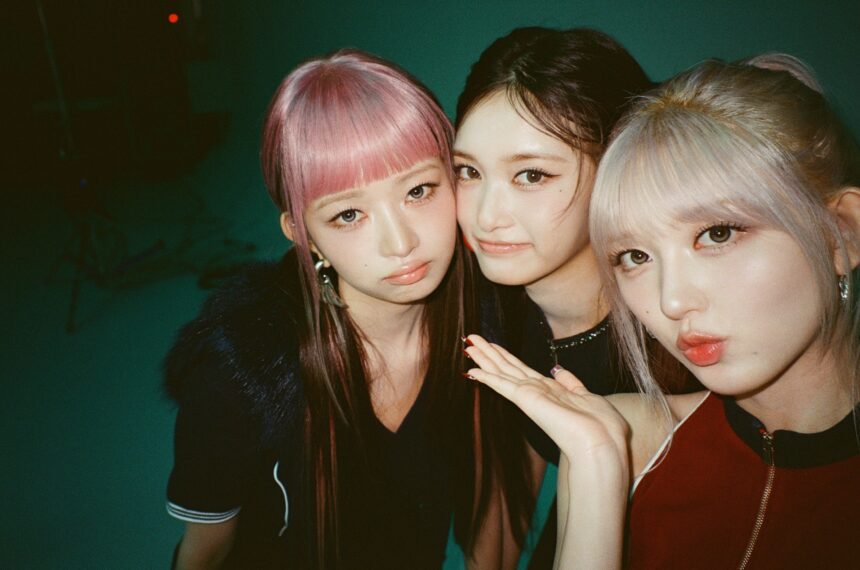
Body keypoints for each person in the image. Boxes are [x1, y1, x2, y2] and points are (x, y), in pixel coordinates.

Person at [464, 53, 860, 568]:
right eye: (635, 257)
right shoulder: (621, 435)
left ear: (843, 232)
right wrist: (596, 470)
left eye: (718, 234)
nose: (671, 301)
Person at [163, 49, 529, 569]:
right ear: (303, 235)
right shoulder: (237, 375)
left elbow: (493, 504)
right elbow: (205, 553)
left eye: (419, 190)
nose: (400, 243)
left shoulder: (488, 319)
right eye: (349, 214)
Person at [453, 27, 692, 565]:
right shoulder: (495, 307)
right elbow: (505, 505)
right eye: (468, 171)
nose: (486, 216)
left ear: (616, 168)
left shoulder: (682, 327)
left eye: (531, 175)